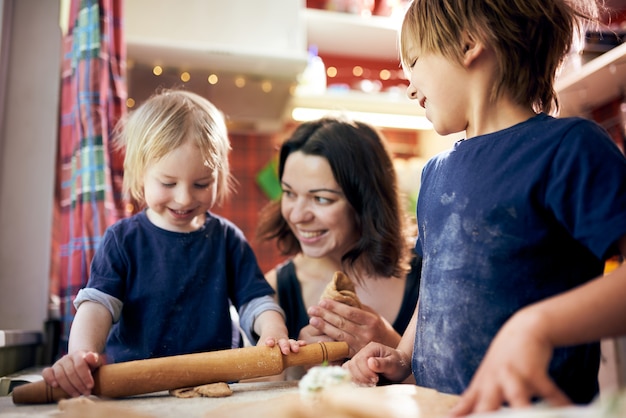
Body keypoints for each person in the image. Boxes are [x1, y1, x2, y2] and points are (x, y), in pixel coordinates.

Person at [343, 0, 626, 415]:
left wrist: (538, 326)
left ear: (469, 44)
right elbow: (437, 289)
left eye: (416, 62)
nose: (409, 86)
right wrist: (403, 356)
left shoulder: (569, 149)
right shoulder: (434, 173)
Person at [42, 89, 302, 398]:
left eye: (201, 184)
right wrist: (80, 355)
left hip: (215, 387)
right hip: (136, 389)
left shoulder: (228, 239)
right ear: (140, 174)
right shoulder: (123, 239)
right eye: (168, 183)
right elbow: (98, 306)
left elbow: (256, 302)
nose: (184, 198)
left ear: (219, 176)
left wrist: (273, 332)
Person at [256, 116, 421, 366]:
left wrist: (393, 346)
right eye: (289, 193)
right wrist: (299, 367)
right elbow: (260, 398)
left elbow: (465, 387)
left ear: (367, 202)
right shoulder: (275, 291)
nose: (298, 215)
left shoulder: (429, 277)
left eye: (321, 199)